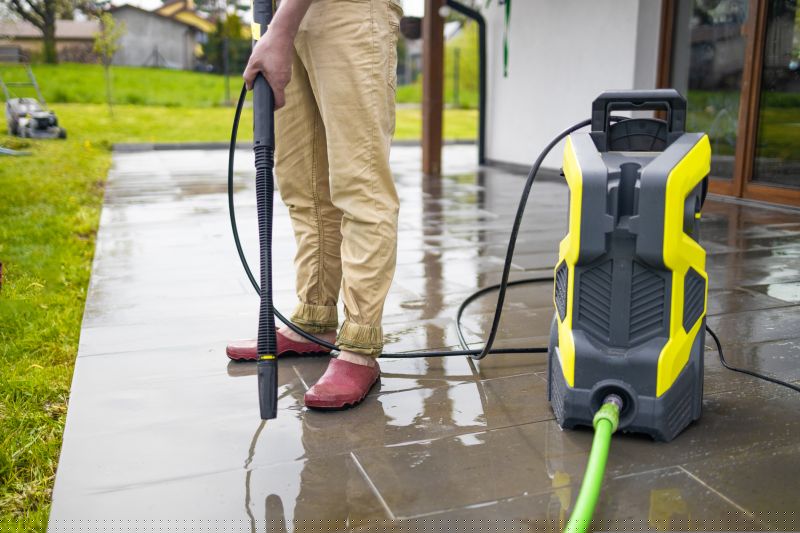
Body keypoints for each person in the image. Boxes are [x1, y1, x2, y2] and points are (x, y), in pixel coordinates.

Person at [226, 0, 403, 410]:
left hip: (349, 11)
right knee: (303, 186)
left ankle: (359, 344)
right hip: (284, 17)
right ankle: (314, 318)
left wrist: (281, 29)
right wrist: (278, 26)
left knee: (360, 185)